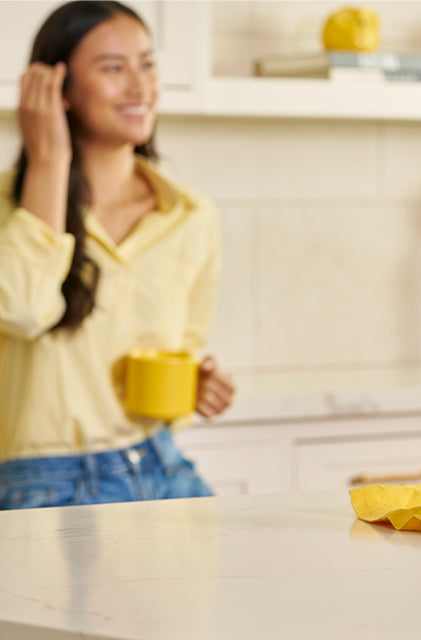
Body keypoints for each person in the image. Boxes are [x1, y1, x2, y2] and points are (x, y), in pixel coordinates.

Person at [0, 1, 235, 509]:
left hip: (161, 463)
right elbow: (20, 309)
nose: (139, 86)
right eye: (113, 68)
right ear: (54, 88)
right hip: (45, 484)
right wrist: (50, 159)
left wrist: (195, 386)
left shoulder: (191, 216)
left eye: (147, 64)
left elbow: (185, 347)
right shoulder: (6, 210)